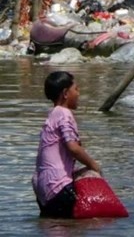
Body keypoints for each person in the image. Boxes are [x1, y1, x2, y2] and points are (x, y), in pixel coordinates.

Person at [32, 71, 101, 218]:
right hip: (57, 186)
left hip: (42, 188)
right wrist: (94, 166)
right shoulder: (64, 113)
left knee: (54, 227)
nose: (79, 94)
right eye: (76, 89)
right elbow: (73, 148)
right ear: (65, 93)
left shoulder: (52, 115)